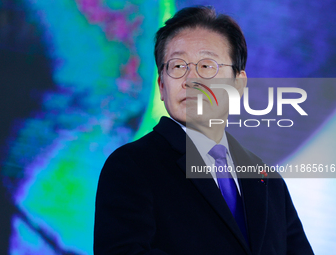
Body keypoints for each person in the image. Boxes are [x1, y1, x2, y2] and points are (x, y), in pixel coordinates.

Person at [94, 6, 314, 255]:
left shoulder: (268, 180)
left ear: (238, 84)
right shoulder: (131, 166)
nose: (191, 79)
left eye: (207, 66)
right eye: (177, 66)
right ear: (162, 86)